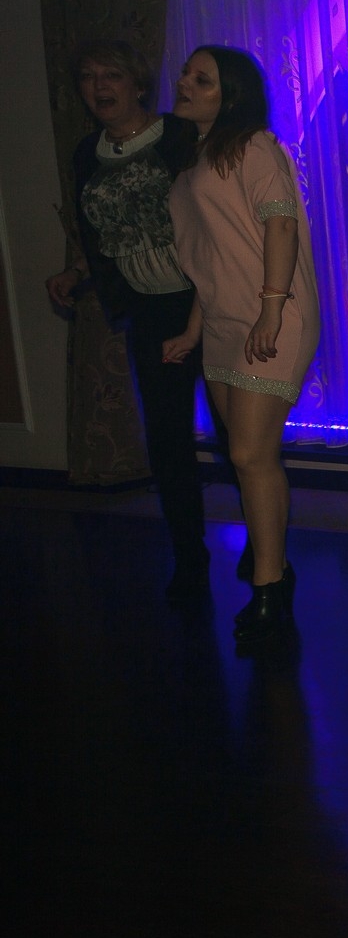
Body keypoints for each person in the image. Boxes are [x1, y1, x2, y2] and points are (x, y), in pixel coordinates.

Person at [164, 45, 320, 641]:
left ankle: (269, 591)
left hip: (270, 316)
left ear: (230, 96)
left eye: (201, 79)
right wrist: (192, 330)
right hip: (225, 322)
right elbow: (212, 258)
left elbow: (280, 224)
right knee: (249, 457)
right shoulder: (196, 157)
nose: (184, 82)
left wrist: (271, 309)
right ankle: (274, 568)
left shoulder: (253, 146)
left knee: (250, 456)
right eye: (186, 73)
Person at [44, 40, 206, 600]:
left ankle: (266, 556)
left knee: (240, 438)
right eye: (89, 77)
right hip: (149, 311)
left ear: (137, 83)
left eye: (111, 74)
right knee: (167, 440)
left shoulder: (178, 135)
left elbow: (218, 216)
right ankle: (190, 558)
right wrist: (77, 272)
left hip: (208, 301)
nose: (99, 86)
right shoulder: (86, 154)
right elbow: (106, 234)